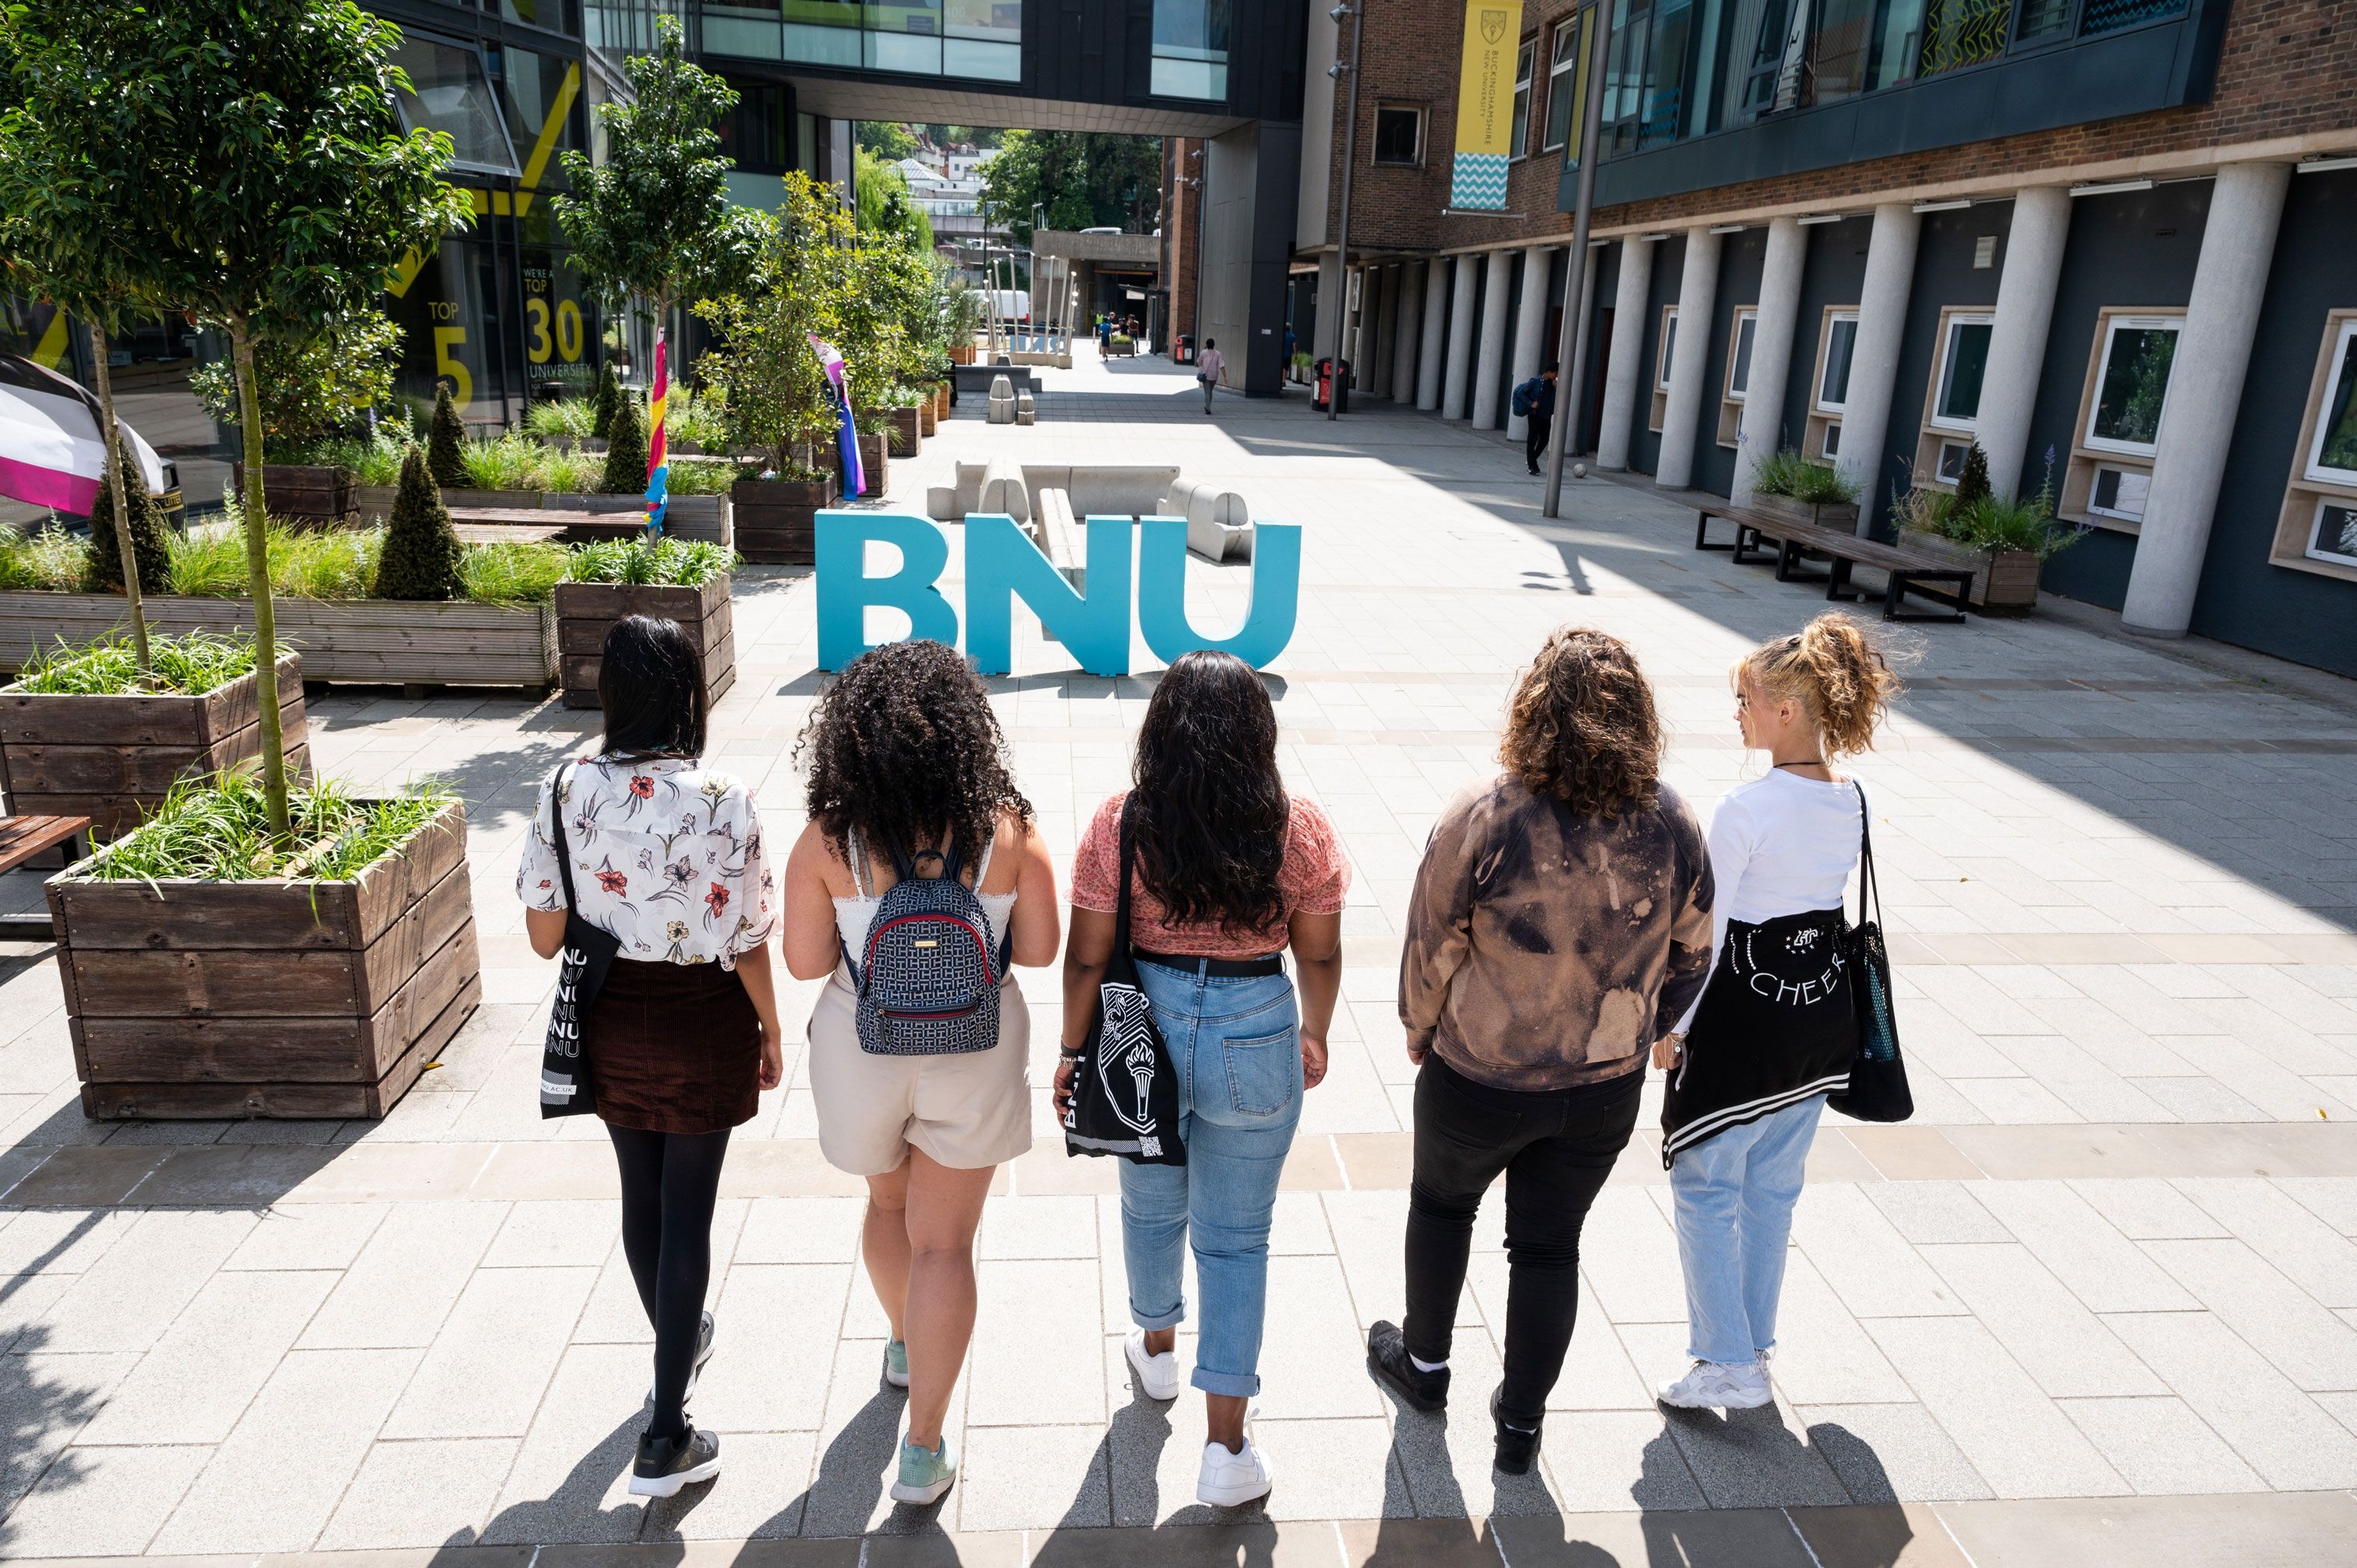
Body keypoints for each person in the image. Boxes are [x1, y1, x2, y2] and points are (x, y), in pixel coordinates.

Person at [1371, 628, 1714, 1476]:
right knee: (1550, 1246)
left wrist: (1418, 1025)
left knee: (1442, 1208)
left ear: (1535, 710)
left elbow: (1431, 942)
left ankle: (1424, 1367)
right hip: (1602, 1086)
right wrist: (1650, 1026)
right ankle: (1521, 1426)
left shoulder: (1487, 814)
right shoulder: (1671, 820)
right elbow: (1696, 947)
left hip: (1480, 1074)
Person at [1057, 650, 1347, 1509]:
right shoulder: (1299, 828)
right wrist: (1316, 1029)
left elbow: (1086, 958)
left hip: (1142, 1025)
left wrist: (1073, 1051)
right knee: (1236, 1239)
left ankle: (1157, 1351)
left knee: (1150, 1206)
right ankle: (1226, 1450)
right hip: (1256, 1026)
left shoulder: (1121, 824)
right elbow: (1319, 951)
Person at [779, 639, 1061, 1507]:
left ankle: (903, 1342)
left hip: (862, 1050)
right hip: (975, 1049)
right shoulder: (1006, 829)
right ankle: (923, 1449)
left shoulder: (832, 838)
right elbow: (1041, 950)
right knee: (945, 1244)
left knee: (886, 1208)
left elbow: (804, 961)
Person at [518, 615, 783, 1499]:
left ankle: (680, 1345)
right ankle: (666, 1433)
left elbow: (542, 936)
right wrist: (772, 1028)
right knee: (689, 1216)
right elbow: (748, 937)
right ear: (687, 692)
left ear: (610, 693)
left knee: (642, 1197)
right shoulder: (725, 796)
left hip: (610, 1015)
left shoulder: (563, 786)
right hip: (706, 1015)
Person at [1652, 614, 1901, 1411]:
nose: (1738, 713)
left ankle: (1726, 1359)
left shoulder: (1746, 808)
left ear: (1786, 710)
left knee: (1704, 1185)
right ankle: (1751, 1346)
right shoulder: (1851, 799)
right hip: (1820, 1023)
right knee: (1771, 1192)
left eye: (1745, 700)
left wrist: (1674, 1026)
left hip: (1745, 1029)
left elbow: (1712, 930)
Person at [1515, 362, 1560, 475]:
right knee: (1532, 440)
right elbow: (1521, 393)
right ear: (1549, 372)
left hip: (1546, 416)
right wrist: (1531, 403)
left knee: (1544, 439)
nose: (1556, 376)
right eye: (1555, 374)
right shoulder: (1535, 381)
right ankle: (1531, 466)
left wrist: (1557, 388)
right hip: (1535, 415)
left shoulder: (1553, 384)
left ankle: (1532, 460)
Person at [1196, 337, 1225, 415]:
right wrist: (1225, 376)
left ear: (1207, 344)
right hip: (1215, 376)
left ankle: (1208, 408)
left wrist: (1203, 350)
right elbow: (1221, 365)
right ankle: (1208, 406)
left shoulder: (1203, 352)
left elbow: (1199, 362)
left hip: (1206, 375)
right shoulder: (1218, 353)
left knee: (1207, 392)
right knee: (1210, 391)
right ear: (1214, 345)